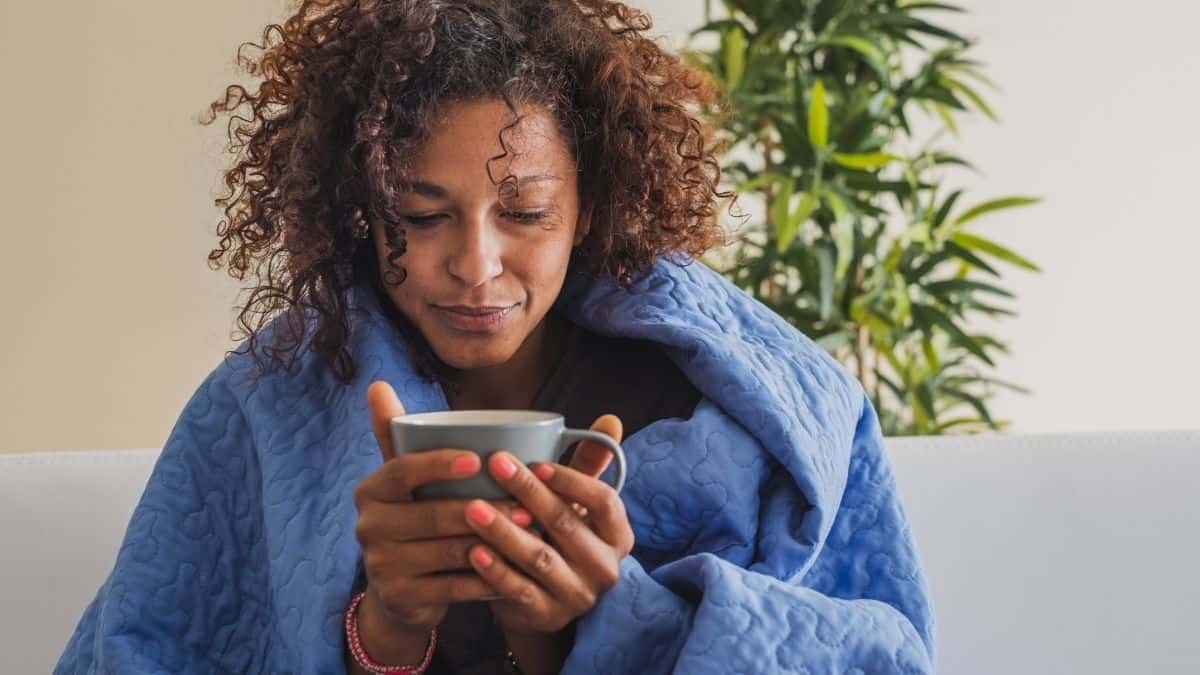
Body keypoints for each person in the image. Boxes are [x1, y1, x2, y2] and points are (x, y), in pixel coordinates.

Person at [56, 1, 934, 673]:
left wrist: (592, 624)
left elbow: (861, 643)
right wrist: (384, 627)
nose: (475, 265)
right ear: (362, 214)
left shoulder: (725, 404)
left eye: (525, 211)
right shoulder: (266, 404)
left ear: (589, 205)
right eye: (422, 214)